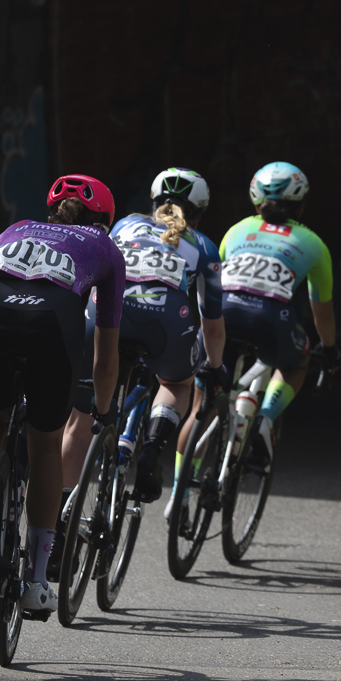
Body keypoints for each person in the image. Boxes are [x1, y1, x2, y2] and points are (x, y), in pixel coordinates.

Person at [0, 174, 126, 612]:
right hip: (51, 326)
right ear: (104, 220)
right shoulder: (105, 249)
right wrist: (102, 412)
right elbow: (104, 356)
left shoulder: (13, 230)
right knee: (45, 444)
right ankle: (37, 583)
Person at [58, 168, 226, 532]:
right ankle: (152, 444)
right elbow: (212, 324)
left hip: (108, 317)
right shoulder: (205, 246)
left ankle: (58, 520)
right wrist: (214, 366)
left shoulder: (124, 226)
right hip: (166, 326)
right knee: (178, 383)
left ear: (153, 201)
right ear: (198, 213)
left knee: (81, 418)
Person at [215, 161, 339, 460]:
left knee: (203, 400)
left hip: (223, 312)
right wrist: (331, 349)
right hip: (270, 319)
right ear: (302, 203)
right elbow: (321, 309)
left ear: (255, 199)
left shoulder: (236, 230)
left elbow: (213, 280)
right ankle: (266, 417)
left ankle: (183, 487)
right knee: (298, 360)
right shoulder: (314, 244)